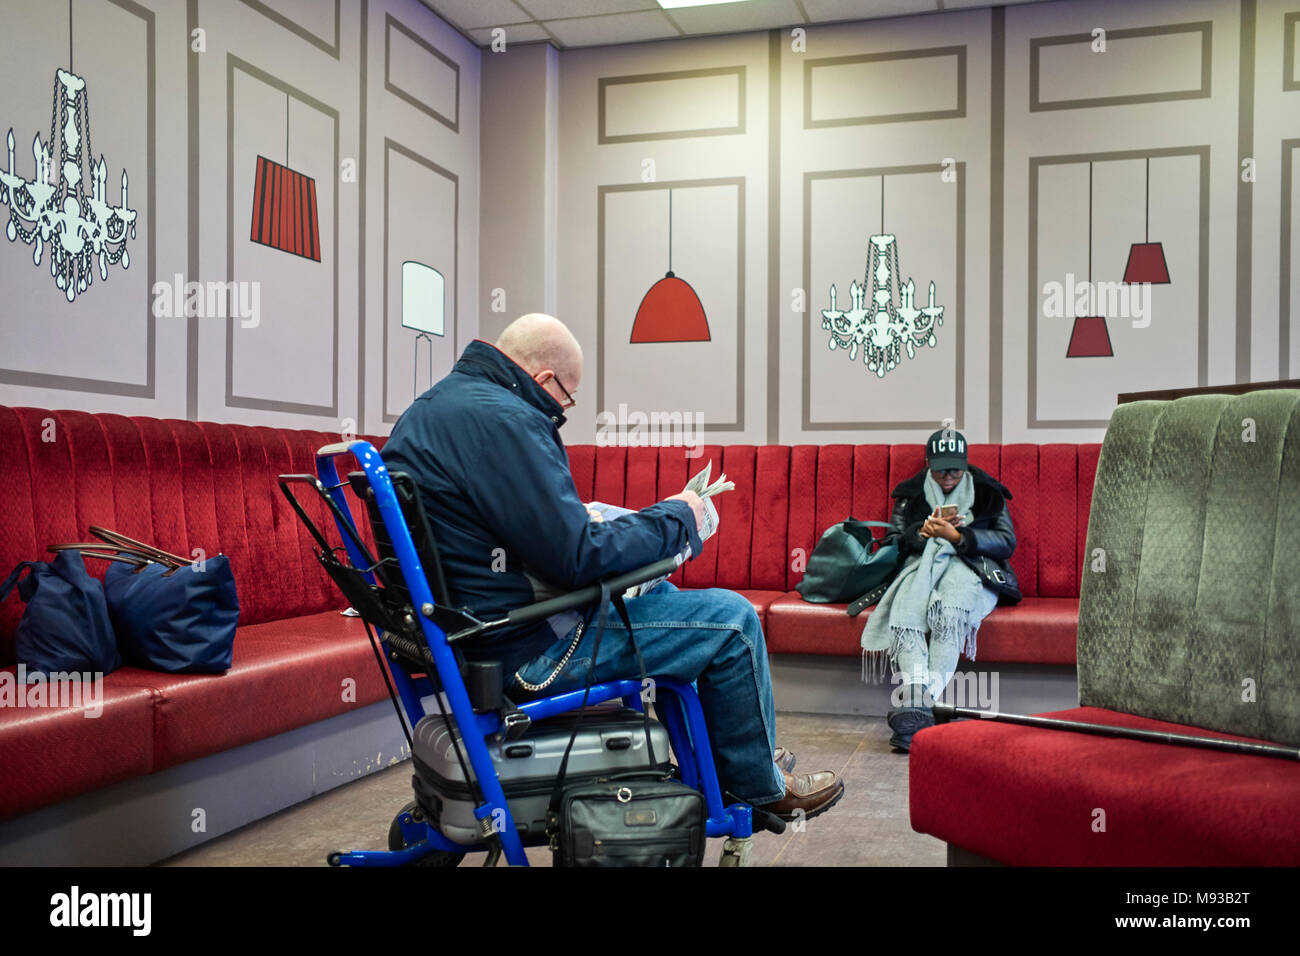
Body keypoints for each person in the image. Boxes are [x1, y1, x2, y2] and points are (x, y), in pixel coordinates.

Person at [380, 313, 844, 821]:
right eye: (567, 397)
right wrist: (678, 517)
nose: (562, 410)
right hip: (523, 652)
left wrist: (587, 522)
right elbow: (579, 557)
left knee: (663, 600)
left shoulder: (430, 410)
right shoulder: (508, 419)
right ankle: (756, 789)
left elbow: (510, 532)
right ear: (543, 380)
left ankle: (735, 756)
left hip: (458, 635)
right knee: (733, 621)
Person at [860, 428, 1021, 752]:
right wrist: (921, 534)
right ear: (928, 463)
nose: (948, 476)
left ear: (965, 464)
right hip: (921, 570)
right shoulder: (911, 494)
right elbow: (896, 541)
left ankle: (918, 703)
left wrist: (959, 538)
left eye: (955, 469)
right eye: (940, 469)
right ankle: (923, 704)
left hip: (975, 569)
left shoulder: (988, 492)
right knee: (909, 606)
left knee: (949, 611)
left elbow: (1006, 543)